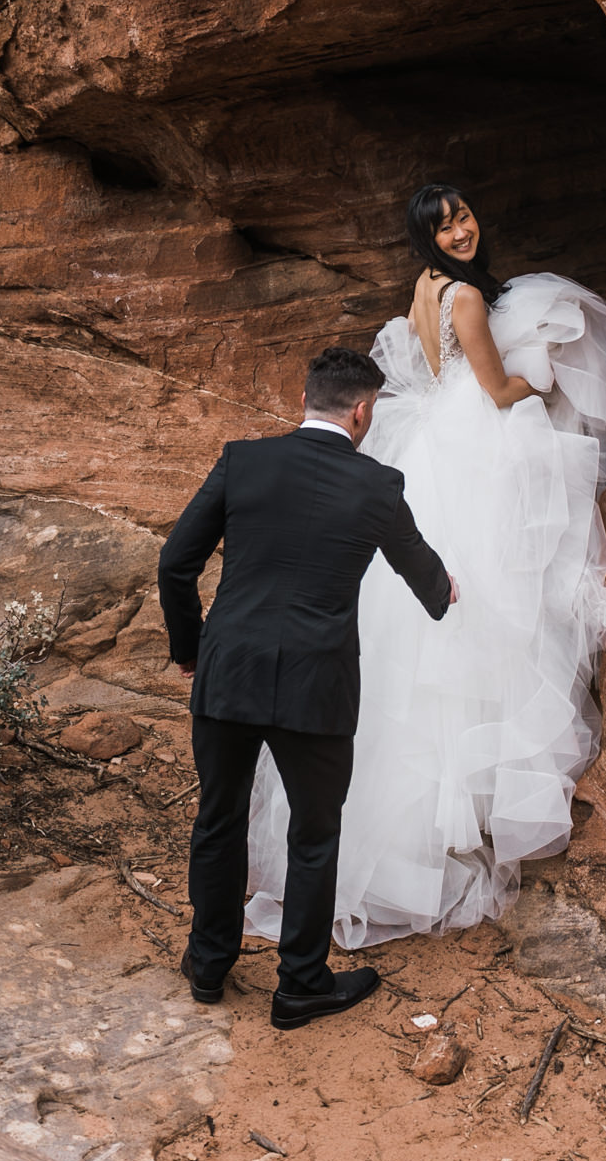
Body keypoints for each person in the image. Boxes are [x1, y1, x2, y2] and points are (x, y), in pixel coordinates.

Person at [245, 184, 606, 951]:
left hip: (438, 449)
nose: (461, 231)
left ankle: (439, 815)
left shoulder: (424, 289)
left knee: (431, 633)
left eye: (464, 215)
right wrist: (543, 382)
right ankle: (469, 809)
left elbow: (438, 373)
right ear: (426, 237)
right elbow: (497, 390)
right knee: (498, 605)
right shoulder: (464, 295)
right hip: (475, 449)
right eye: (444, 226)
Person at [158, 345, 455, 1029]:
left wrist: (190, 651)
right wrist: (445, 592)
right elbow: (423, 574)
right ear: (361, 411)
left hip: (229, 667)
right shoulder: (377, 485)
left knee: (219, 819)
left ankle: (208, 964)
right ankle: (300, 986)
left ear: (304, 401)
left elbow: (175, 564)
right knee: (314, 836)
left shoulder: (243, 460)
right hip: (315, 684)